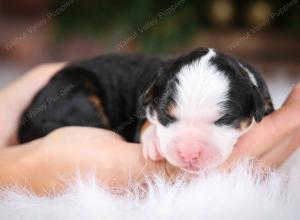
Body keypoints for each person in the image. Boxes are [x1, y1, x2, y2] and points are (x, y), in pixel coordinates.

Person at [0, 63, 299, 195]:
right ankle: (35, 151)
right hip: (76, 89)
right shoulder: (154, 92)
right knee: (88, 133)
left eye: (221, 121)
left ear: (258, 108)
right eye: (170, 119)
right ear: (153, 104)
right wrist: (148, 131)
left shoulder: (254, 93)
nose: (189, 150)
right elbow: (143, 115)